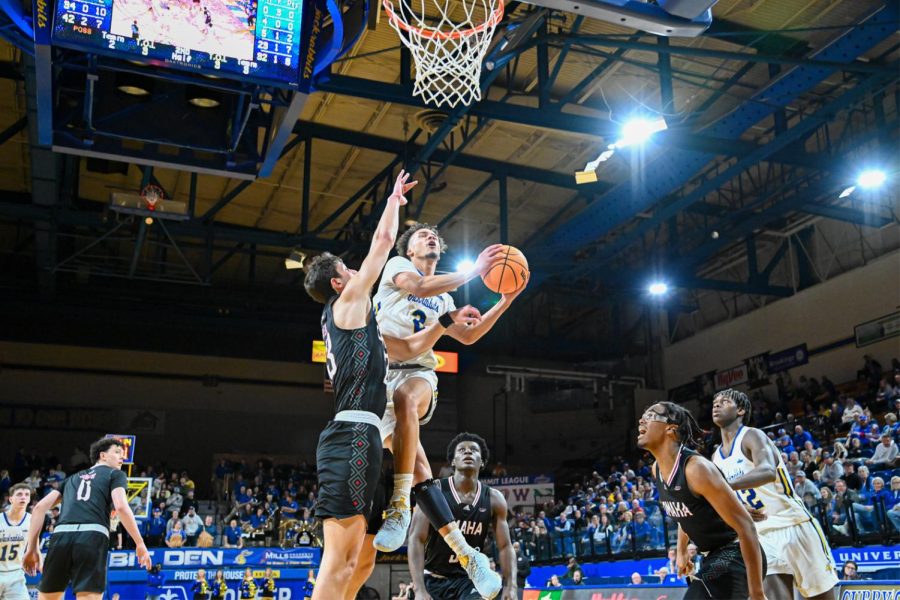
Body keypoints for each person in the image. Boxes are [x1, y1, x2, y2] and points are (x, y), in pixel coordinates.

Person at [303, 171, 483, 600]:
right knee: (338, 562)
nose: (357, 271)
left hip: (364, 437)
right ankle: (447, 538)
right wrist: (392, 202)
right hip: (351, 434)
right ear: (337, 282)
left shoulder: (367, 325)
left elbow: (418, 345)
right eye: (348, 269)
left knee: (360, 562)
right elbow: (383, 244)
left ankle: (414, 512)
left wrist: (446, 320)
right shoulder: (347, 302)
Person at [371, 222, 521, 557]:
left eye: (435, 237)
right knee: (420, 470)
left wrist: (506, 300)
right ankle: (465, 553)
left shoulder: (445, 299)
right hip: (377, 378)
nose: (430, 238)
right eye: (423, 236)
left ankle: (398, 507)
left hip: (418, 373)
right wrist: (476, 271)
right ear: (410, 250)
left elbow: (468, 336)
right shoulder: (399, 268)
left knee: (406, 399)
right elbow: (419, 287)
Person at [712, 389, 837, 600]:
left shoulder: (752, 435)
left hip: (794, 524)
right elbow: (725, 498)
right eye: (715, 402)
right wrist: (738, 509)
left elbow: (767, 471)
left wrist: (724, 486)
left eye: (724, 401)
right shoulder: (716, 456)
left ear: (740, 410)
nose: (716, 405)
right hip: (760, 533)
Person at [637, 402, 767, 600]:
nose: (641, 419)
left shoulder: (696, 469)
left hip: (736, 553)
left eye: (650, 415)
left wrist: (758, 593)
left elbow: (747, 527)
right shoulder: (657, 469)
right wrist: (681, 551)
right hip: (712, 557)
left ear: (670, 429)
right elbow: (687, 510)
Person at [23, 437, 152, 599]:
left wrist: (32, 548)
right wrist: (139, 543)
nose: (122, 457)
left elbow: (39, 508)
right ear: (103, 456)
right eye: (118, 452)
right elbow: (121, 507)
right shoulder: (116, 474)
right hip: (92, 536)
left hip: (61, 536)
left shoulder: (72, 478)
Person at [407, 432, 516, 600]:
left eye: (473, 450)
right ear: (452, 461)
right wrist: (419, 589)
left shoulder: (494, 499)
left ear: (482, 462)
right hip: (433, 579)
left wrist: (511, 586)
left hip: (469, 581)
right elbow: (416, 539)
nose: (467, 452)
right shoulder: (435, 491)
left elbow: (505, 546)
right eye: (461, 450)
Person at [0, 483, 32, 600]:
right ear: (10, 499)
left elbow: (34, 547)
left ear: (29, 499)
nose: (23, 497)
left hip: (15, 574)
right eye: (19, 494)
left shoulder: (32, 520)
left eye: (26, 495)